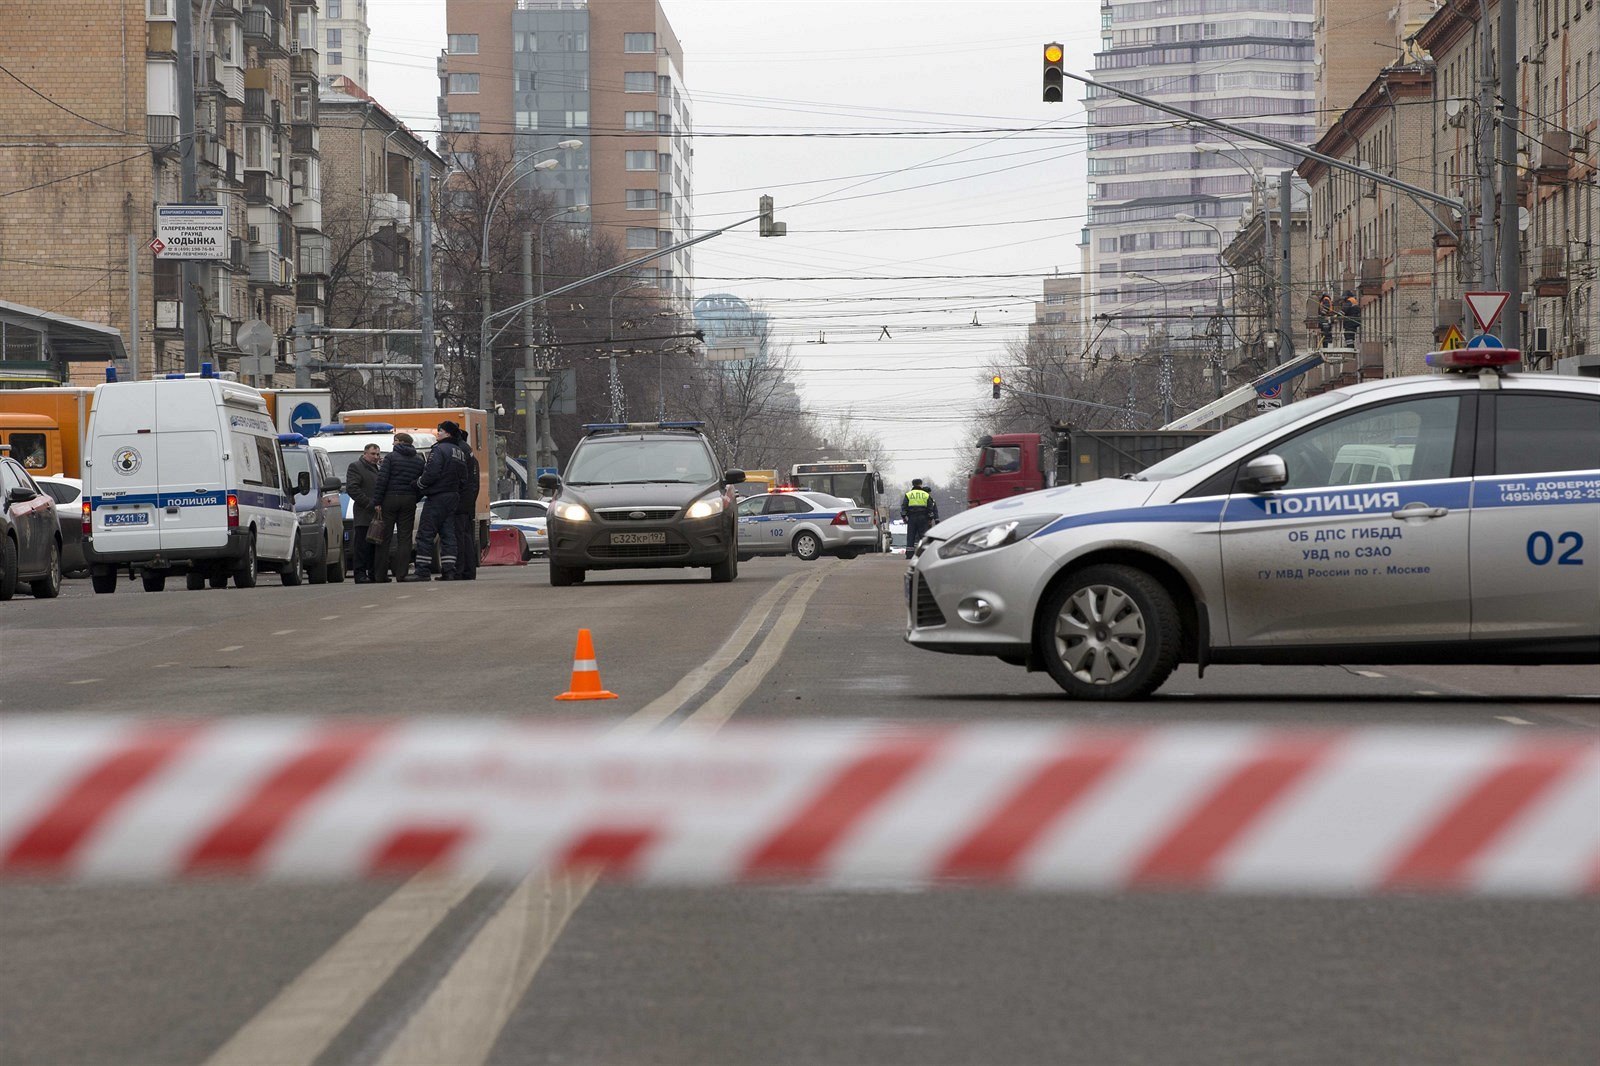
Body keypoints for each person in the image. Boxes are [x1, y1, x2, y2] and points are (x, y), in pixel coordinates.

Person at [412, 420, 469, 581]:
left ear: (448, 433)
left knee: (426, 534)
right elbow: (464, 478)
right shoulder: (459, 452)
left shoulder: (439, 450)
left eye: (441, 431)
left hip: (437, 497)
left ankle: (422, 571)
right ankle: (449, 570)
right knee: (448, 535)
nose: (438, 433)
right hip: (452, 497)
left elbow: (431, 473)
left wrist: (418, 484)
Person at [370, 432, 424, 583]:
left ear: (400, 442)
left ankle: (380, 575)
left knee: (384, 537)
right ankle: (402, 574)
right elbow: (422, 483)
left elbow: (382, 480)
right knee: (405, 538)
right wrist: (414, 498)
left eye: (394, 441)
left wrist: (377, 501)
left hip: (390, 499)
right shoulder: (418, 460)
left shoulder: (391, 458)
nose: (393, 444)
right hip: (409, 500)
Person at [345, 443, 381, 583]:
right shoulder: (356, 467)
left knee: (374, 546)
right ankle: (360, 574)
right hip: (364, 514)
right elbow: (352, 488)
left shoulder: (378, 468)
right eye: (373, 454)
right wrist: (369, 503)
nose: (376, 457)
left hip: (377, 515)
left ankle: (373, 573)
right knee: (361, 546)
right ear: (365, 453)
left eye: (377, 454)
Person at [451, 427, 480, 581]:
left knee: (460, 535)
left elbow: (460, 478)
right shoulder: (469, 452)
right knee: (466, 536)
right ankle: (469, 570)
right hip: (468, 500)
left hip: (461, 500)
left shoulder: (460, 451)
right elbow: (474, 483)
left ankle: (460, 570)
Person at [901, 478, 936, 550]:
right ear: (921, 484)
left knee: (911, 536)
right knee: (924, 537)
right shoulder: (926, 495)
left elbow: (904, 506)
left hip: (912, 518)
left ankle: (909, 553)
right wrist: (930, 518)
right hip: (923, 518)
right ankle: (924, 552)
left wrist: (904, 517)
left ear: (913, 484)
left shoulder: (908, 494)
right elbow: (930, 508)